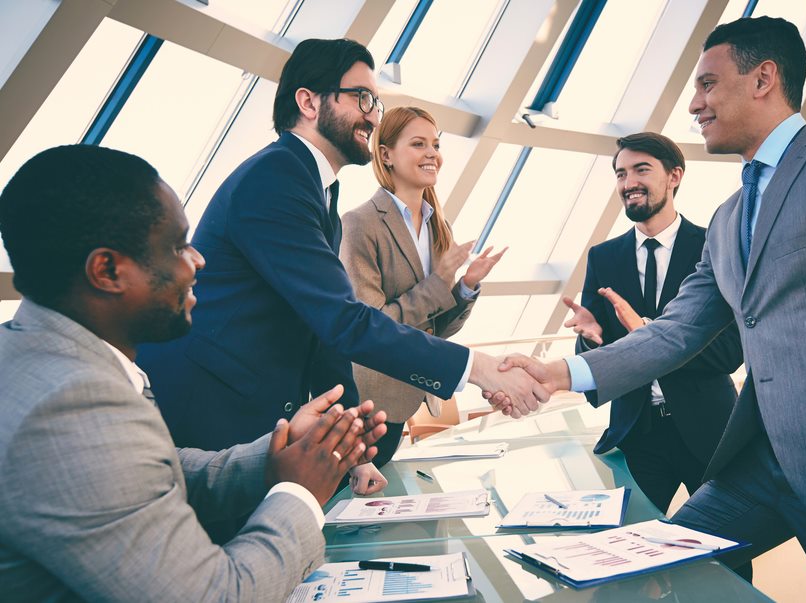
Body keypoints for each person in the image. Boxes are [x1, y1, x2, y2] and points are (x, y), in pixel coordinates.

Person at [493, 16, 806, 601]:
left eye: (707, 84)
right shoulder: (727, 218)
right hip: (760, 468)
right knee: (643, 569)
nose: (693, 103)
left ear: (764, 77)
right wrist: (560, 373)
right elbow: (674, 332)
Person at [0, 144, 387, 601]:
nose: (198, 259)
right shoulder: (69, 404)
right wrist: (300, 492)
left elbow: (145, 475)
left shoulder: (41, 356)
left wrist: (275, 459)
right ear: (106, 270)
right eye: (178, 245)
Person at [136, 39, 544, 471]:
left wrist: (354, 445)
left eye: (377, 102)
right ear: (309, 102)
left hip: (242, 404)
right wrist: (476, 367)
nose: (373, 113)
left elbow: (323, 333)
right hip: (209, 405)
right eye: (362, 97)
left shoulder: (317, 189)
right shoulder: (277, 178)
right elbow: (343, 320)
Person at [561, 131, 741, 514]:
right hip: (636, 432)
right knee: (627, 544)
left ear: (674, 175)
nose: (629, 183)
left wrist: (648, 334)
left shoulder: (714, 246)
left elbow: (731, 352)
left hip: (709, 427)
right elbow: (604, 349)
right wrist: (591, 341)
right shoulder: (603, 258)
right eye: (620, 173)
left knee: (729, 553)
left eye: (641, 169)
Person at [332, 106, 506, 483]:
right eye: (418, 144)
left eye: (436, 144)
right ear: (386, 154)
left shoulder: (436, 227)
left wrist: (464, 287)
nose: (432, 153)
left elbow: (434, 329)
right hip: (367, 409)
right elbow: (370, 328)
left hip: (407, 398)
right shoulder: (359, 224)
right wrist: (439, 281)